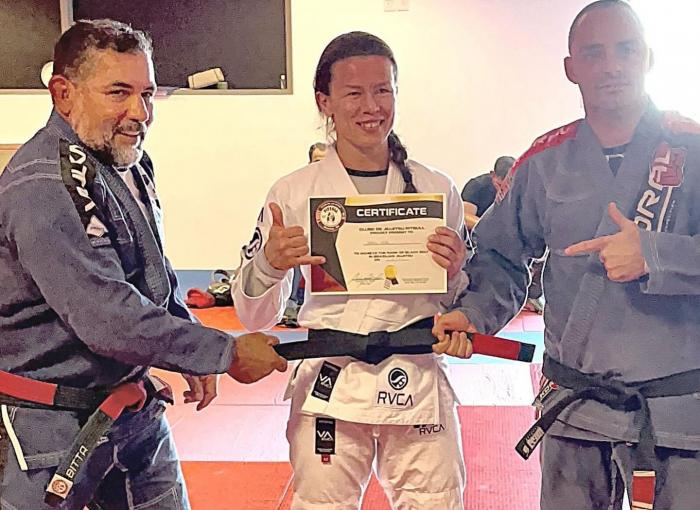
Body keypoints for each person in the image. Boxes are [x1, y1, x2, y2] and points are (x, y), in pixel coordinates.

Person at [0, 19, 286, 510]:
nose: (140, 113)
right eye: (118, 92)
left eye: (147, 94)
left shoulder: (124, 160)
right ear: (63, 94)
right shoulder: (42, 186)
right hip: (48, 423)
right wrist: (222, 352)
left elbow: (152, 272)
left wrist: (188, 341)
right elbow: (105, 317)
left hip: (131, 411)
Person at [434, 1, 700, 509]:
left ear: (649, 57)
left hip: (677, 411)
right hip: (575, 410)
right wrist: (473, 314)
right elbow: (500, 258)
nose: (612, 66)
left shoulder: (693, 150)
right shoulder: (544, 161)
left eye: (626, 50)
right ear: (570, 68)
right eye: (593, 53)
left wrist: (655, 253)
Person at [233, 32, 470, 509]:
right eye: (354, 93)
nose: (371, 106)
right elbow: (253, 317)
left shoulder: (436, 187)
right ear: (325, 102)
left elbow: (455, 302)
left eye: (383, 90)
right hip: (332, 379)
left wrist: (455, 273)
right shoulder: (293, 193)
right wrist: (269, 264)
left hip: (415, 372)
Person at [461, 155, 515, 225]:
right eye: (500, 186)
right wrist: (490, 227)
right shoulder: (476, 186)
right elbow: (465, 217)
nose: (505, 192)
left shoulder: (521, 188)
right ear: (493, 175)